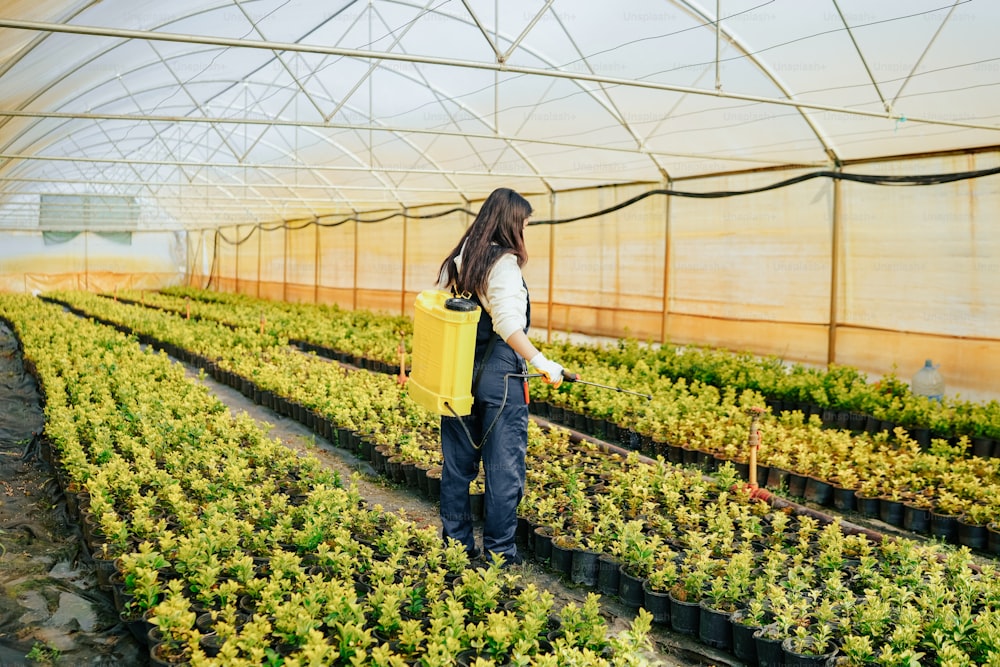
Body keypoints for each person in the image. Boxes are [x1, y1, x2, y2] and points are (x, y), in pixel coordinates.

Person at [435, 187, 564, 567]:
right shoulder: (503, 264)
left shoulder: (460, 259)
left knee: (457, 468)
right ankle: (499, 555)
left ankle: (456, 549)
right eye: (523, 223)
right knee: (503, 470)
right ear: (511, 223)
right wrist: (542, 361)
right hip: (499, 381)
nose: (524, 230)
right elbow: (508, 324)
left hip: (458, 374)